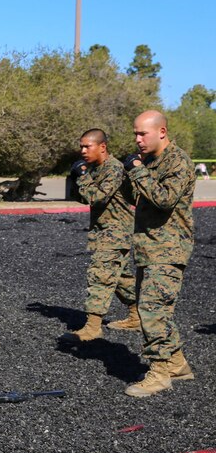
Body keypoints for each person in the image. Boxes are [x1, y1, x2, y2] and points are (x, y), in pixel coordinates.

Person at [122, 110, 195, 397]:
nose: (138, 140)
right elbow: (135, 197)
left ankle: (160, 373)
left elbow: (165, 199)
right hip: (149, 248)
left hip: (168, 249)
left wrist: (138, 170)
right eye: (135, 134)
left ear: (161, 132)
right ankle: (177, 364)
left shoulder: (178, 161)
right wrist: (128, 174)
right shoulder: (150, 162)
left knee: (153, 311)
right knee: (153, 308)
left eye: (143, 133)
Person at [61, 129, 137, 342]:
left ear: (102, 147)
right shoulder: (96, 168)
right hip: (103, 231)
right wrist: (75, 178)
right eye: (81, 147)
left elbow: (98, 197)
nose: (83, 151)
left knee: (100, 275)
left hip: (116, 231)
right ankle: (138, 315)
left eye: (88, 146)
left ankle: (93, 327)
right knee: (120, 278)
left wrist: (84, 176)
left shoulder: (114, 168)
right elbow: (83, 198)